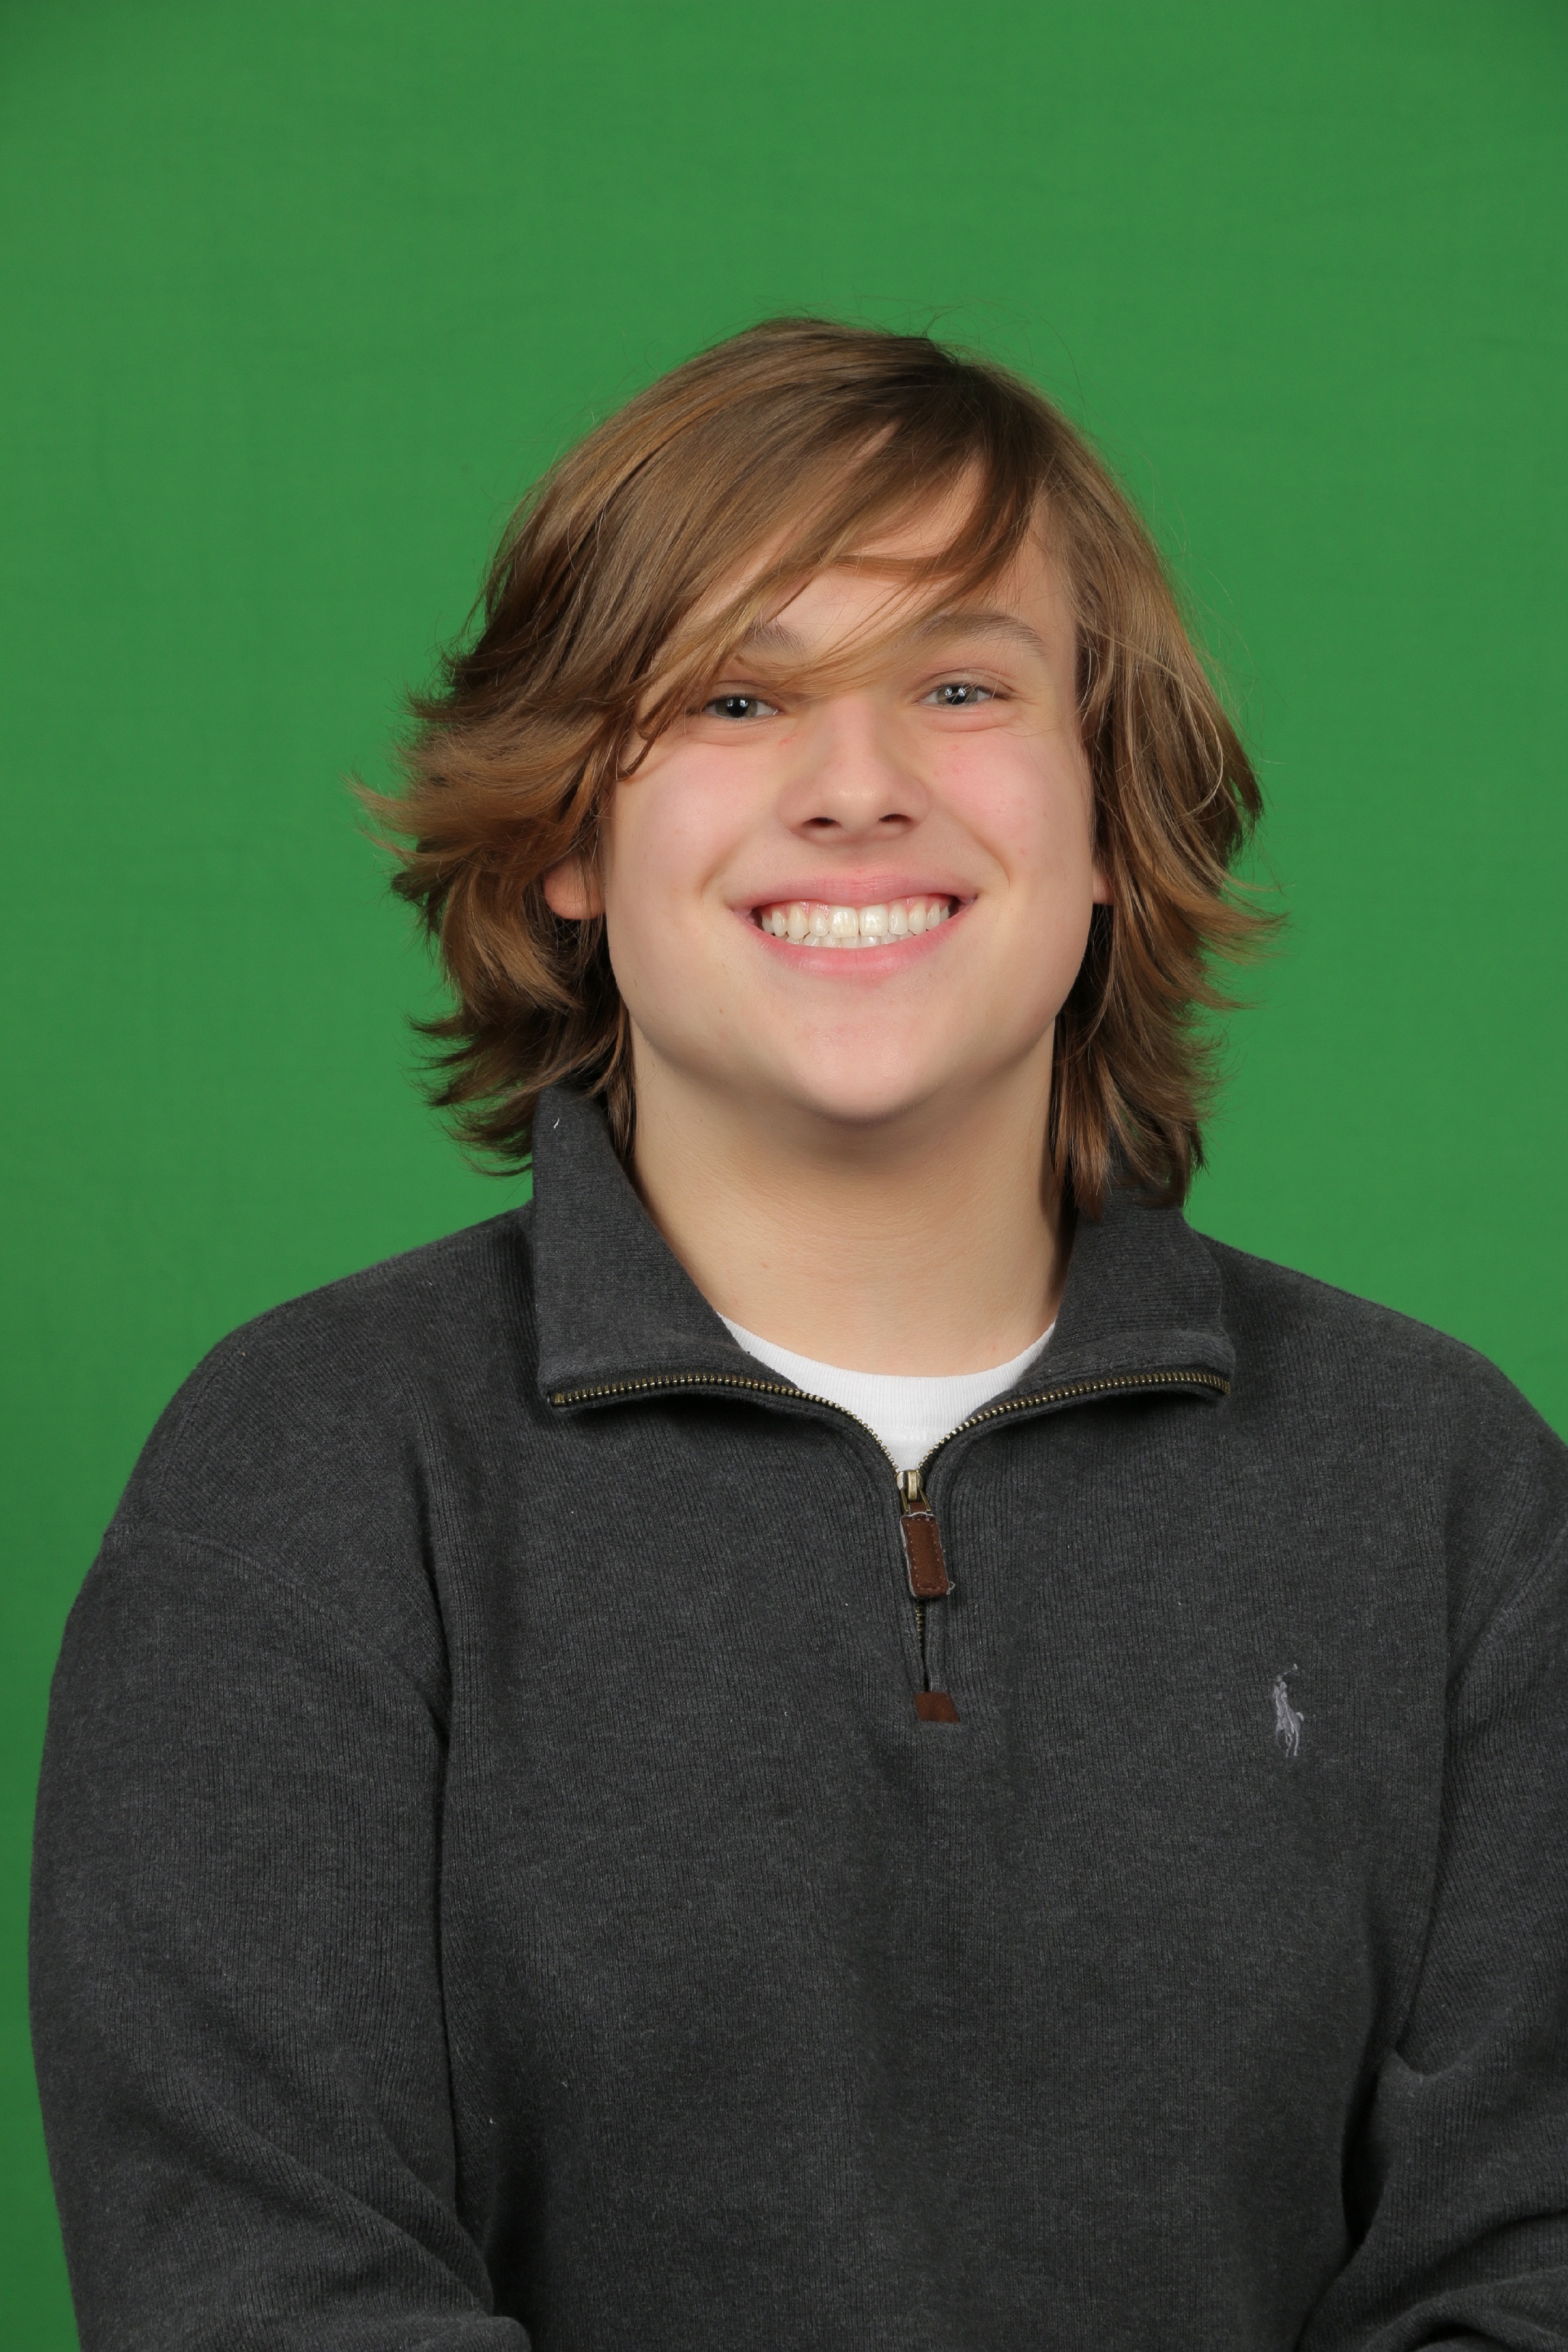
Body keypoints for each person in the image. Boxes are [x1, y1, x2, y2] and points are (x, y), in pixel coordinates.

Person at [30, 318, 1568, 2351]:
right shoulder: (308, 1476)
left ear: (1113, 819)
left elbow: (1527, 2269)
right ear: (570, 837)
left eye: (961, 684)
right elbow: (260, 2291)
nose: (859, 788)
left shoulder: (1446, 1491)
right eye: (738, 696)